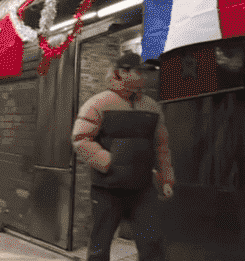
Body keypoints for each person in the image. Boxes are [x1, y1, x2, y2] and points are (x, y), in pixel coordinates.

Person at [72, 51, 175, 261]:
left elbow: (161, 146)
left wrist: (166, 178)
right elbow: (81, 138)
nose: (144, 76)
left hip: (143, 188)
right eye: (140, 71)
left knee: (152, 243)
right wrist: (109, 162)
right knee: (100, 244)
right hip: (107, 189)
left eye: (146, 71)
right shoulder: (98, 104)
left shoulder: (151, 107)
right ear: (122, 72)